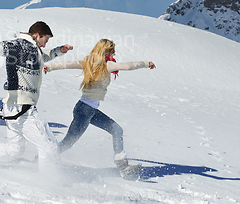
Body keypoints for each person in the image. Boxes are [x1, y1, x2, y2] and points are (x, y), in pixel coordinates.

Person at [0, 21, 73, 173]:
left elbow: (42, 56)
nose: (45, 43)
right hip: (22, 109)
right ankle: (53, 182)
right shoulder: (20, 45)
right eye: (45, 40)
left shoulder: (32, 49)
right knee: (48, 146)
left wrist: (59, 51)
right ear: (37, 35)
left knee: (15, 150)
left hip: (11, 108)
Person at [43, 38, 156, 178]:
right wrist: (146, 63)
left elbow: (67, 64)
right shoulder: (104, 65)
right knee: (68, 143)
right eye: (112, 51)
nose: (114, 54)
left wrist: (51, 67)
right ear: (106, 51)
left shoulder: (92, 63)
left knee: (117, 130)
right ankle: (43, 159)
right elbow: (128, 66)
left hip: (90, 111)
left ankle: (123, 167)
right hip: (84, 111)